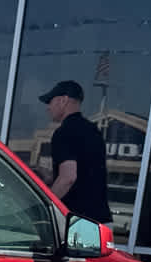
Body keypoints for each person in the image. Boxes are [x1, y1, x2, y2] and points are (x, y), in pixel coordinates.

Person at [39, 79, 111, 224]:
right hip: (101, 221)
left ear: (63, 100)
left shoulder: (64, 132)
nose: (48, 108)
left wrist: (45, 207)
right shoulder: (94, 131)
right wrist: (51, 177)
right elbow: (86, 172)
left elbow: (68, 178)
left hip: (78, 222)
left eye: (50, 102)